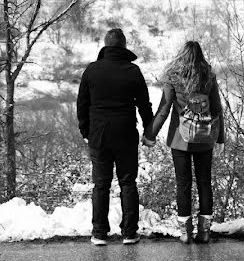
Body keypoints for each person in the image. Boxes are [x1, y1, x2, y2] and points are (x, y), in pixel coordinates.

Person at [77, 28, 153, 246]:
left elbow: (82, 104)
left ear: (105, 46)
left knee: (101, 184)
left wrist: (86, 131)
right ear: (124, 47)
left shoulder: (91, 70)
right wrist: (149, 131)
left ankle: (99, 233)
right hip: (126, 133)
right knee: (128, 183)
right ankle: (129, 233)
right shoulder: (133, 71)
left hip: (99, 135)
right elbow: (144, 106)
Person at [143, 41, 225, 244]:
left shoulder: (173, 77)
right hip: (205, 138)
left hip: (180, 139)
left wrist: (150, 135)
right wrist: (220, 138)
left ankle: (185, 232)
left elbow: (164, 109)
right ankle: (204, 232)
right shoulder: (208, 76)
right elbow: (216, 109)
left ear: (181, 55)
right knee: (205, 182)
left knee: (183, 183)